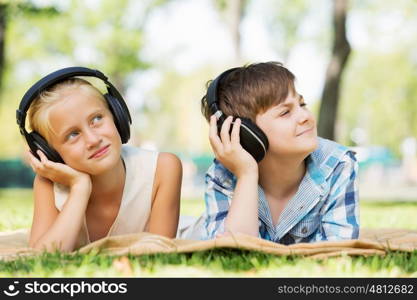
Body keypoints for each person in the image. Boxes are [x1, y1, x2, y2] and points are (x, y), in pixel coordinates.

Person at [18, 67, 182, 252]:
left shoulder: (162, 168)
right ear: (51, 153)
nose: (93, 140)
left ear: (116, 115)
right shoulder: (48, 183)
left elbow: (159, 251)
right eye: (72, 135)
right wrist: (79, 187)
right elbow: (43, 256)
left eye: (96, 119)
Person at [198, 61, 359, 244]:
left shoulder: (338, 164)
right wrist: (246, 174)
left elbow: (340, 249)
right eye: (285, 113)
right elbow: (234, 251)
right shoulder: (223, 174)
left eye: (302, 104)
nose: (306, 116)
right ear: (247, 134)